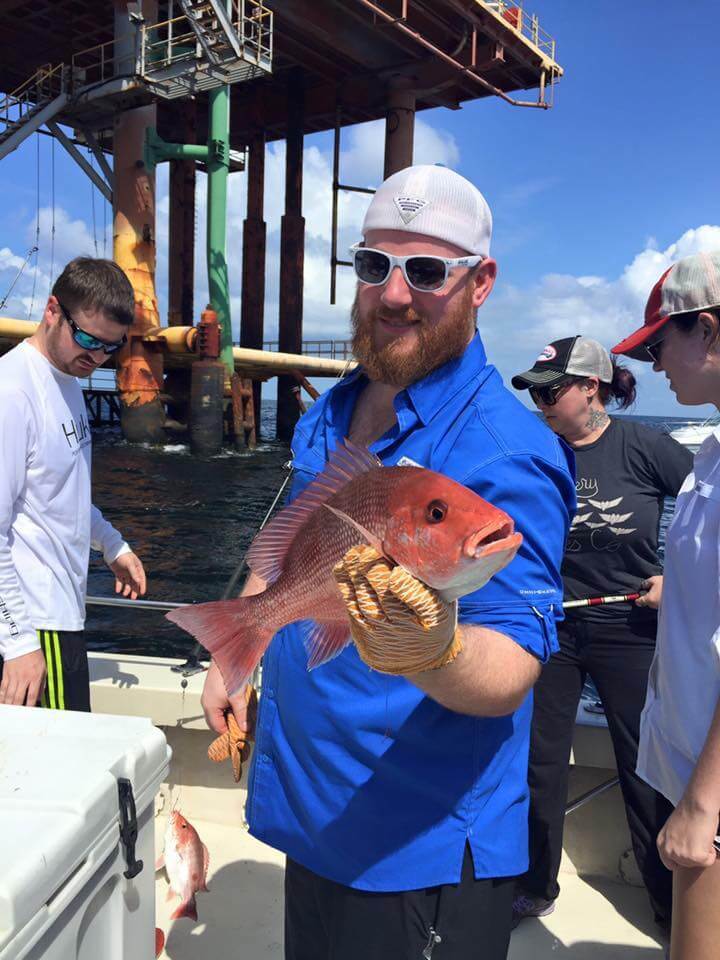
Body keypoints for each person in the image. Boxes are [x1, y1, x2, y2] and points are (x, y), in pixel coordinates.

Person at [200, 164, 576, 960]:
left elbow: (513, 661)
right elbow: (290, 551)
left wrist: (434, 649)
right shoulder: (338, 405)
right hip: (313, 816)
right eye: (375, 265)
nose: (395, 294)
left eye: (429, 271)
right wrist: (240, 650)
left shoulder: (510, 453)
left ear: (481, 284)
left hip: (417, 849)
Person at [510, 336, 692, 931]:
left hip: (630, 631)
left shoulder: (646, 448)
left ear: (592, 386)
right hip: (552, 629)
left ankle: (667, 901)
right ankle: (535, 886)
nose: (540, 402)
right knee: (538, 761)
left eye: (550, 389)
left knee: (645, 765)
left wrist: (678, 577)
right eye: (535, 390)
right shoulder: (535, 452)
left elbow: (708, 522)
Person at [612, 250, 720, 960]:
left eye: (660, 344)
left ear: (707, 332)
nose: (654, 365)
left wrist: (703, 804)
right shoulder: (709, 454)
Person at [0, 256, 147, 712]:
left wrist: (113, 545)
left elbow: (63, 491)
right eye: (86, 338)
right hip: (35, 625)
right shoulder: (12, 392)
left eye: (111, 347)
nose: (97, 357)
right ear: (51, 310)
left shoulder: (66, 379)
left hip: (62, 615)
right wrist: (19, 642)